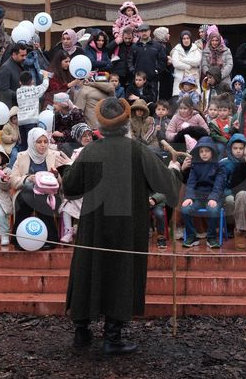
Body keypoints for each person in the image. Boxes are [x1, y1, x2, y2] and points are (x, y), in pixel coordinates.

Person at [63, 98, 181, 353]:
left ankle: (81, 332)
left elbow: (70, 187)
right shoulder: (137, 150)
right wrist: (175, 169)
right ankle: (112, 338)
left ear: (101, 124)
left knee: (88, 269)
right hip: (128, 227)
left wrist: (67, 169)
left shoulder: (90, 151)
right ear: (126, 122)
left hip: (94, 225)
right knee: (121, 273)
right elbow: (166, 185)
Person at [10, 128, 71, 249]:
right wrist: (27, 179)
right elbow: (13, 180)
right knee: (24, 199)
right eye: (39, 142)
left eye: (45, 141)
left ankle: (51, 239)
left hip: (50, 194)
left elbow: (65, 181)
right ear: (32, 142)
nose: (43, 145)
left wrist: (56, 176)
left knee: (41, 200)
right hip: (27, 191)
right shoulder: (21, 156)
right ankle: (19, 239)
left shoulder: (55, 156)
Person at [180, 137, 226, 249]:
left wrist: (213, 198)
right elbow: (191, 183)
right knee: (185, 209)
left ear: (212, 151)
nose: (204, 154)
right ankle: (191, 236)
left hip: (214, 196)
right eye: (201, 151)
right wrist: (189, 197)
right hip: (197, 197)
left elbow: (219, 185)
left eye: (207, 151)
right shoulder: (195, 166)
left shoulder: (219, 166)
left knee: (213, 210)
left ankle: (211, 237)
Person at [58, 123, 94, 243]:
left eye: (89, 135)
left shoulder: (97, 149)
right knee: (67, 202)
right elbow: (74, 173)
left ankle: (83, 231)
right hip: (80, 188)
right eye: (84, 135)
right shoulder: (76, 152)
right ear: (78, 138)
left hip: (94, 188)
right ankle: (69, 231)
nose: (88, 138)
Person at [15, 70, 51, 151]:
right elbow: (45, 85)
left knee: (24, 144)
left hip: (21, 121)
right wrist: (45, 76)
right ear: (32, 81)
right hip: (32, 121)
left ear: (20, 82)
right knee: (31, 144)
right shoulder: (34, 90)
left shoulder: (18, 91)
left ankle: (22, 157)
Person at [129, 23, 167, 93]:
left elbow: (163, 61)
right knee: (138, 98)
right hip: (138, 80)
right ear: (139, 33)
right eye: (142, 31)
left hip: (153, 79)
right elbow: (129, 61)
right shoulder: (134, 47)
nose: (144, 33)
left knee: (152, 98)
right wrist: (134, 71)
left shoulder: (158, 46)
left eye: (145, 31)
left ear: (150, 31)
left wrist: (156, 71)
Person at [170, 30, 202, 96]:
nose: (186, 40)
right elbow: (176, 63)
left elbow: (197, 61)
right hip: (180, 80)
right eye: (184, 39)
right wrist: (189, 66)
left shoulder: (195, 48)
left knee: (194, 100)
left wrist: (182, 59)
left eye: (188, 38)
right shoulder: (177, 49)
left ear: (190, 39)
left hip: (193, 80)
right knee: (179, 101)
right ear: (181, 40)